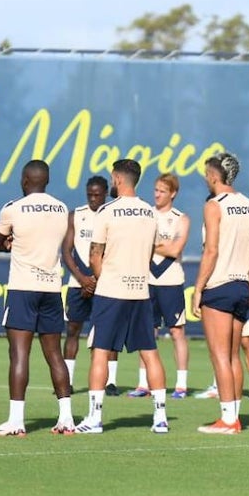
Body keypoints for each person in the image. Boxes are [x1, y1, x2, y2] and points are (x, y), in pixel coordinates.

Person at [76, 159, 169, 435]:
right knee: (150, 352)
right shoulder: (151, 213)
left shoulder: (106, 211)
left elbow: (95, 255)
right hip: (140, 291)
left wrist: (106, 278)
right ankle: (161, 417)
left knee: (100, 352)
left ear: (117, 178)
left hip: (111, 291)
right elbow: (150, 252)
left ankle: (94, 418)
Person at [0, 159, 73, 436]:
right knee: (55, 355)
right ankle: (67, 419)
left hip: (23, 287)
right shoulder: (61, 208)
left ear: (25, 180)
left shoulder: (13, 208)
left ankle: (16, 421)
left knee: (19, 354)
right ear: (46, 181)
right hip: (51, 288)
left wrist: (10, 243)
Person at [194, 152, 249, 435]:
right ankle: (235, 416)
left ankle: (227, 419)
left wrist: (198, 288)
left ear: (213, 175)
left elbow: (211, 250)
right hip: (241, 284)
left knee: (220, 356)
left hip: (219, 284)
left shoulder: (214, 205)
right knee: (233, 356)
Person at [129, 173, 190, 399]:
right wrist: (160, 245)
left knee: (176, 332)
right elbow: (137, 244)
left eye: (162, 191)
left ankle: (181, 384)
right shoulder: (146, 215)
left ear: (173, 193)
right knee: (147, 332)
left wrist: (153, 245)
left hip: (171, 281)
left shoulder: (180, 218)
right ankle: (144, 383)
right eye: (155, 190)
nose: (157, 194)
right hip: (147, 281)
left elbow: (175, 250)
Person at [61, 176, 119, 394]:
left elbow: (113, 250)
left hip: (104, 283)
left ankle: (110, 381)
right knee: (73, 330)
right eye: (90, 195)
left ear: (105, 193)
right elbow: (67, 252)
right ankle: (67, 381)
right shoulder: (76, 216)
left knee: (106, 332)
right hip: (78, 283)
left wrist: (95, 279)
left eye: (97, 195)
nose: (93, 199)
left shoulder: (112, 215)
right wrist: (83, 278)